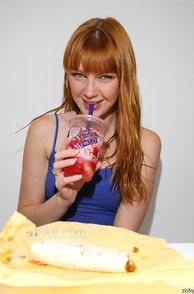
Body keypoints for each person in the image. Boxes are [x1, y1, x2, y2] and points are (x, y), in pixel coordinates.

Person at [17, 17, 161, 231]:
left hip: (107, 259)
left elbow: (124, 237)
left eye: (104, 77)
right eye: (79, 75)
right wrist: (63, 198)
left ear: (124, 80)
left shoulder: (146, 143)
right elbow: (23, 227)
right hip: (46, 258)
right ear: (67, 76)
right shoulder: (44, 131)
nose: (90, 91)